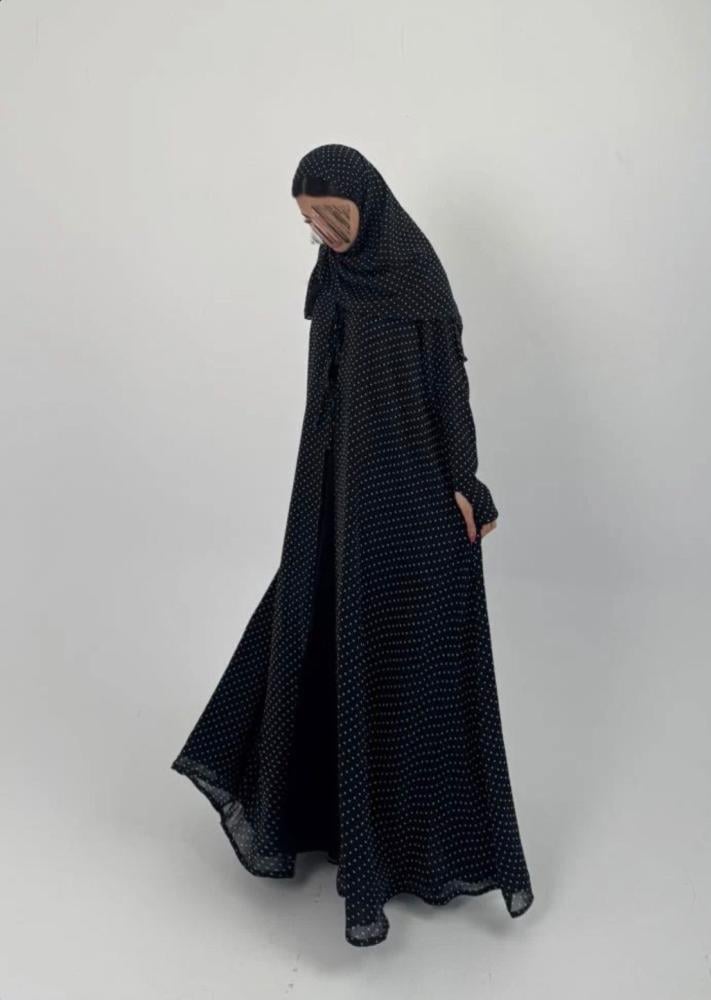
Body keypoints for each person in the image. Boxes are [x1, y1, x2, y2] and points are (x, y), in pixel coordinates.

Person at [171, 143, 534, 948]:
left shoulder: (416, 278)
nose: (323, 236)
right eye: (309, 223)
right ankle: (314, 812)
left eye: (330, 219)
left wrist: (464, 481)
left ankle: (409, 845)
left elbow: (448, 384)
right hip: (334, 492)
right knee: (305, 626)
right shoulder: (334, 276)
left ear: (366, 206)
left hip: (407, 495)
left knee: (404, 660)